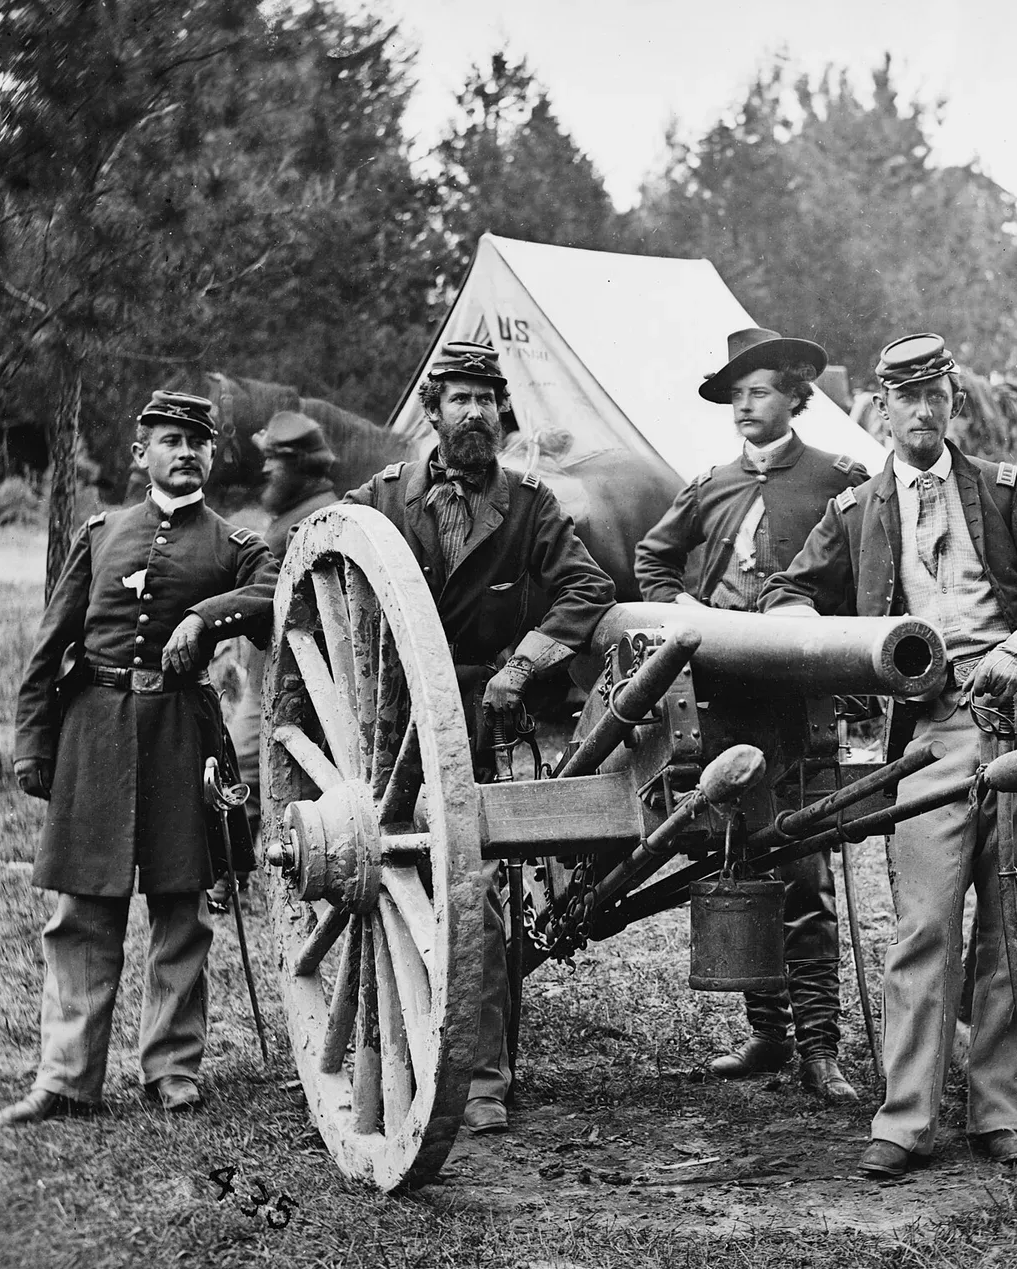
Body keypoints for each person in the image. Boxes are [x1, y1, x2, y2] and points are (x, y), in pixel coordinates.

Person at [760, 334, 1017, 1177]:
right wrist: (830, 646)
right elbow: (788, 594)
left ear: (953, 402)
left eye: (933, 395)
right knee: (923, 921)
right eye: (903, 398)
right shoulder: (856, 515)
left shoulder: (1007, 493)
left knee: (1010, 916)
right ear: (880, 408)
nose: (920, 411)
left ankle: (999, 1110)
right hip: (931, 736)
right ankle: (905, 1117)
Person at [343, 341, 615, 1135]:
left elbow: (587, 587)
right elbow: (327, 553)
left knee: (479, 898)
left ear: (502, 413)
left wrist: (524, 666)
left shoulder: (529, 505)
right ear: (432, 411)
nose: (472, 413)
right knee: (394, 888)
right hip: (394, 724)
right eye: (457, 398)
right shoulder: (384, 498)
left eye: (484, 399)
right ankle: (400, 1054)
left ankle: (484, 1076)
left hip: (483, 715)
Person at [0, 391, 278, 1126]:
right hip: (93, 731)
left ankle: (172, 1069)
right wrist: (34, 744)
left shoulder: (233, 544)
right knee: (82, 909)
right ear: (140, 453)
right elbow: (51, 642)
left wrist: (202, 616)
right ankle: (66, 1077)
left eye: (197, 442)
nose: (184, 452)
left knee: (181, 907)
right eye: (169, 439)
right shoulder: (100, 532)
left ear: (214, 456)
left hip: (181, 731)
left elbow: (274, 590)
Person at [634, 327, 868, 1105]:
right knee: (742, 858)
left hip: (802, 703)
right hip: (728, 702)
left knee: (806, 870)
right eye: (735, 395)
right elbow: (652, 562)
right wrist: (686, 614)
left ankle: (821, 1048)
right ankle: (767, 1031)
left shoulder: (839, 479)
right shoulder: (707, 485)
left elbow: (866, 571)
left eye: (759, 390)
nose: (744, 405)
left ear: (796, 396)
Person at [223, 410, 340, 853]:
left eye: (277, 460)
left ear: (303, 468)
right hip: (270, 673)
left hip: (294, 679)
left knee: (242, 766)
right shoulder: (293, 513)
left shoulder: (316, 518)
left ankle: (227, 878)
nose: (266, 469)